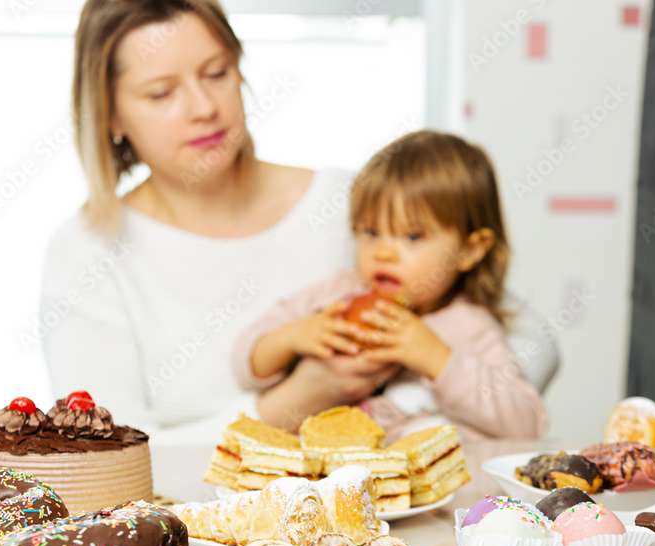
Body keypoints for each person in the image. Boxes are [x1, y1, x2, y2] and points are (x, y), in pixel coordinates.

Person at [41, 0, 389, 444]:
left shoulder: (350, 203)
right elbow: (107, 458)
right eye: (161, 93)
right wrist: (293, 402)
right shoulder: (87, 251)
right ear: (110, 115)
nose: (204, 107)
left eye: (216, 73)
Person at [231, 130, 549, 441]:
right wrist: (292, 337)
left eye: (412, 236)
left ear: (469, 250)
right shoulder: (336, 294)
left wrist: (437, 358)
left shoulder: (469, 327)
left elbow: (527, 425)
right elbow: (245, 361)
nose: (383, 252)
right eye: (371, 232)